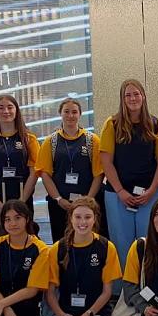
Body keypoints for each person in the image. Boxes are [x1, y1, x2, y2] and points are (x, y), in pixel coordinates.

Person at [38, 198, 122, 316]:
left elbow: (107, 292)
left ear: (95, 219)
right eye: (78, 217)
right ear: (70, 218)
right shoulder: (58, 249)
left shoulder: (106, 247)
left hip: (94, 312)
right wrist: (61, 315)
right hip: (64, 312)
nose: (82, 222)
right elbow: (50, 293)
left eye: (87, 217)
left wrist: (88, 315)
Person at [100, 79, 158, 265]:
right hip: (118, 196)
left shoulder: (156, 124)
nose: (132, 98)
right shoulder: (112, 124)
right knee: (121, 247)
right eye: (128, 95)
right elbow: (106, 162)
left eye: (136, 94)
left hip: (149, 196)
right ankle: (124, 284)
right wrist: (120, 191)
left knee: (150, 244)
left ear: (143, 96)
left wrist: (152, 191)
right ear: (122, 99)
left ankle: (148, 282)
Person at [37, 97, 104, 242]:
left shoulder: (92, 140)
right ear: (60, 113)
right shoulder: (51, 141)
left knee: (89, 241)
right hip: (60, 205)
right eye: (66, 111)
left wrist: (88, 200)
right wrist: (59, 199)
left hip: (88, 204)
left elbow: (99, 174)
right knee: (62, 242)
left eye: (74, 112)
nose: (70, 115)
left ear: (80, 114)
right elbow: (45, 174)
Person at [0, 94, 40, 236]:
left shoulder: (29, 139)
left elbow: (34, 173)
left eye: (10, 107)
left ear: (16, 110)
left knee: (23, 237)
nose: (6, 111)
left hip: (22, 198)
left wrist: (22, 202)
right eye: (1, 108)